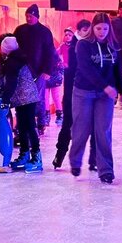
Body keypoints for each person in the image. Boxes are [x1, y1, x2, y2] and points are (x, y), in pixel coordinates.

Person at [69, 12, 122, 184]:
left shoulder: (114, 46)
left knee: (103, 131)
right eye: (99, 28)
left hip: (104, 96)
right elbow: (86, 68)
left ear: (109, 29)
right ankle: (75, 161)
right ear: (93, 28)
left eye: (105, 29)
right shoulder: (83, 45)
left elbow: (118, 70)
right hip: (83, 92)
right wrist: (105, 86)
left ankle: (106, 170)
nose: (102, 32)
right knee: (81, 129)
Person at [52, 19, 98, 171]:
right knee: (68, 124)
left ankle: (93, 160)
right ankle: (60, 155)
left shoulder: (92, 46)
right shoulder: (73, 47)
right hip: (72, 93)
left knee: (93, 125)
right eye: (85, 30)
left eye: (89, 31)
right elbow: (71, 70)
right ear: (79, 31)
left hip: (89, 92)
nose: (88, 33)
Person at [0, 36, 43, 173]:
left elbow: (11, 83)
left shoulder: (13, 62)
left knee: (29, 126)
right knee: (22, 127)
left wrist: (5, 100)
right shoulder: (19, 58)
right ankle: (24, 155)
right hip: (24, 98)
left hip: (26, 98)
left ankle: (36, 157)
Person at [13, 4, 57, 135]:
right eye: (27, 16)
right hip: (22, 70)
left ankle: (41, 123)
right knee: (22, 98)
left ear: (37, 17)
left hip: (39, 71)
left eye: (31, 16)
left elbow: (50, 52)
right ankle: (21, 124)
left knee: (39, 98)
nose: (28, 18)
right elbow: (14, 47)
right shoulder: (20, 30)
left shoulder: (44, 32)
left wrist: (47, 70)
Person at [45, 28, 71, 127]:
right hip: (46, 76)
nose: (67, 37)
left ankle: (59, 115)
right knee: (45, 97)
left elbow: (58, 61)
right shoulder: (60, 47)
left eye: (69, 35)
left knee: (56, 96)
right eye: (66, 35)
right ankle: (46, 115)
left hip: (56, 75)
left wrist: (61, 68)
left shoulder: (54, 49)